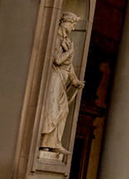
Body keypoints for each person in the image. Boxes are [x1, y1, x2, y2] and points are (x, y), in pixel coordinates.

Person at [38, 12, 85, 156]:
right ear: (64, 22)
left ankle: (54, 143)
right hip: (54, 78)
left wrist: (74, 80)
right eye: (72, 24)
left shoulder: (67, 40)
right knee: (52, 110)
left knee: (64, 109)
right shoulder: (55, 38)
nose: (73, 27)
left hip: (62, 79)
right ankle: (43, 142)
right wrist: (70, 51)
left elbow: (69, 65)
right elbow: (57, 60)